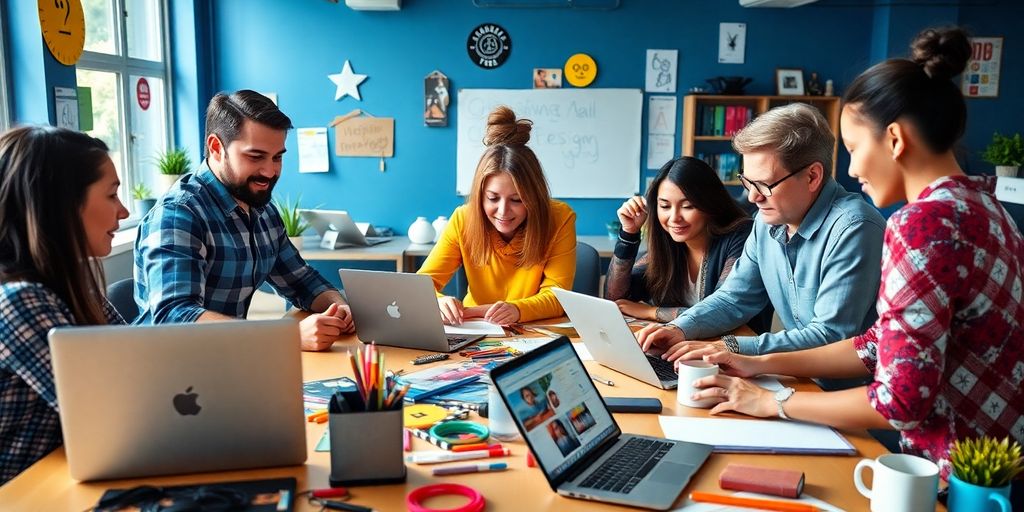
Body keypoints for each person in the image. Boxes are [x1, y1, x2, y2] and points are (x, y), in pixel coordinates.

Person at [685, 28, 1023, 497]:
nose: (854, 168)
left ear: (895, 140)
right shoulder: (986, 208)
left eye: (854, 148)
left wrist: (770, 404)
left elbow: (900, 399)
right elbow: (878, 344)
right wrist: (756, 361)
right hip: (999, 465)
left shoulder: (923, 223)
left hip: (957, 478)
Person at [636, 103, 886, 365]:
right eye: (747, 182)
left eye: (764, 185)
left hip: (846, 393)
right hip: (791, 373)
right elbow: (734, 298)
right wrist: (679, 329)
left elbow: (831, 336)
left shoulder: (854, 228)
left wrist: (730, 346)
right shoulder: (766, 223)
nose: (753, 197)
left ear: (812, 176)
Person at [134, 90, 354, 351]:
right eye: (256, 156)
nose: (270, 172)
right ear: (217, 148)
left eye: (277, 157)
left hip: (232, 359)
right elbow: (174, 318)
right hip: (171, 370)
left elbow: (301, 280)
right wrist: (285, 337)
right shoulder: (178, 215)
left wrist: (338, 307)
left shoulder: (262, 209)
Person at [0, 126, 130, 484]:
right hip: (26, 491)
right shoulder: (19, 301)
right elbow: (109, 412)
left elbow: (138, 362)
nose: (124, 210)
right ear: (64, 206)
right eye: (112, 195)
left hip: (71, 473)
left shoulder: (73, 283)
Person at [418, 106, 576, 326]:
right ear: (480, 195)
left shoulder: (560, 218)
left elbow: (558, 298)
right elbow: (422, 284)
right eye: (492, 198)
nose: (503, 212)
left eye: (517, 200)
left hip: (532, 328)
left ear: (534, 196)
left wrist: (517, 310)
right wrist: (439, 302)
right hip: (473, 327)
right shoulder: (463, 219)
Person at [606, 156, 771, 333]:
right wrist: (629, 234)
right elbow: (615, 300)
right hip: (683, 351)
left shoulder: (741, 236)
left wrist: (652, 312)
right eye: (665, 206)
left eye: (687, 206)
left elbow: (721, 314)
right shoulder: (670, 244)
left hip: (734, 353)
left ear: (709, 204)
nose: (674, 218)